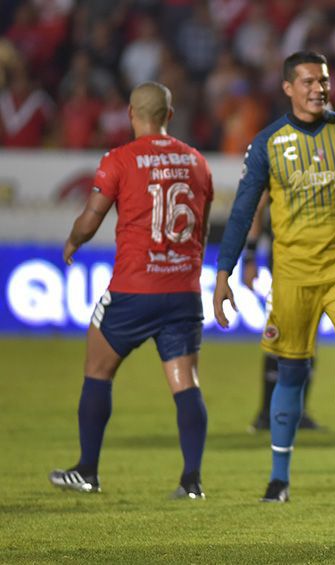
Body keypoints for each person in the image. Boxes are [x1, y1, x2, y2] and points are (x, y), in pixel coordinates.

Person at [49, 82, 213, 499]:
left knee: (97, 370)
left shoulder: (119, 159)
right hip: (183, 289)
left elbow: (91, 217)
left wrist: (72, 242)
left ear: (130, 114)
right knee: (186, 382)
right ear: (170, 116)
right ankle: (191, 480)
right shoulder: (197, 162)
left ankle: (87, 470)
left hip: (133, 288)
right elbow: (203, 226)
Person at [213, 51, 335, 503]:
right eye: (309, 81)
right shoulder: (268, 143)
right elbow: (242, 212)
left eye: (324, 81)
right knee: (289, 374)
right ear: (288, 88)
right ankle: (279, 477)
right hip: (291, 278)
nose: (319, 89)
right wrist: (223, 272)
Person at [241, 193, 322, 434]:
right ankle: (267, 412)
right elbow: (257, 204)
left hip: (321, 259)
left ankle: (297, 411)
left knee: (309, 337)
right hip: (285, 261)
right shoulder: (278, 157)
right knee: (280, 332)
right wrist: (250, 254)